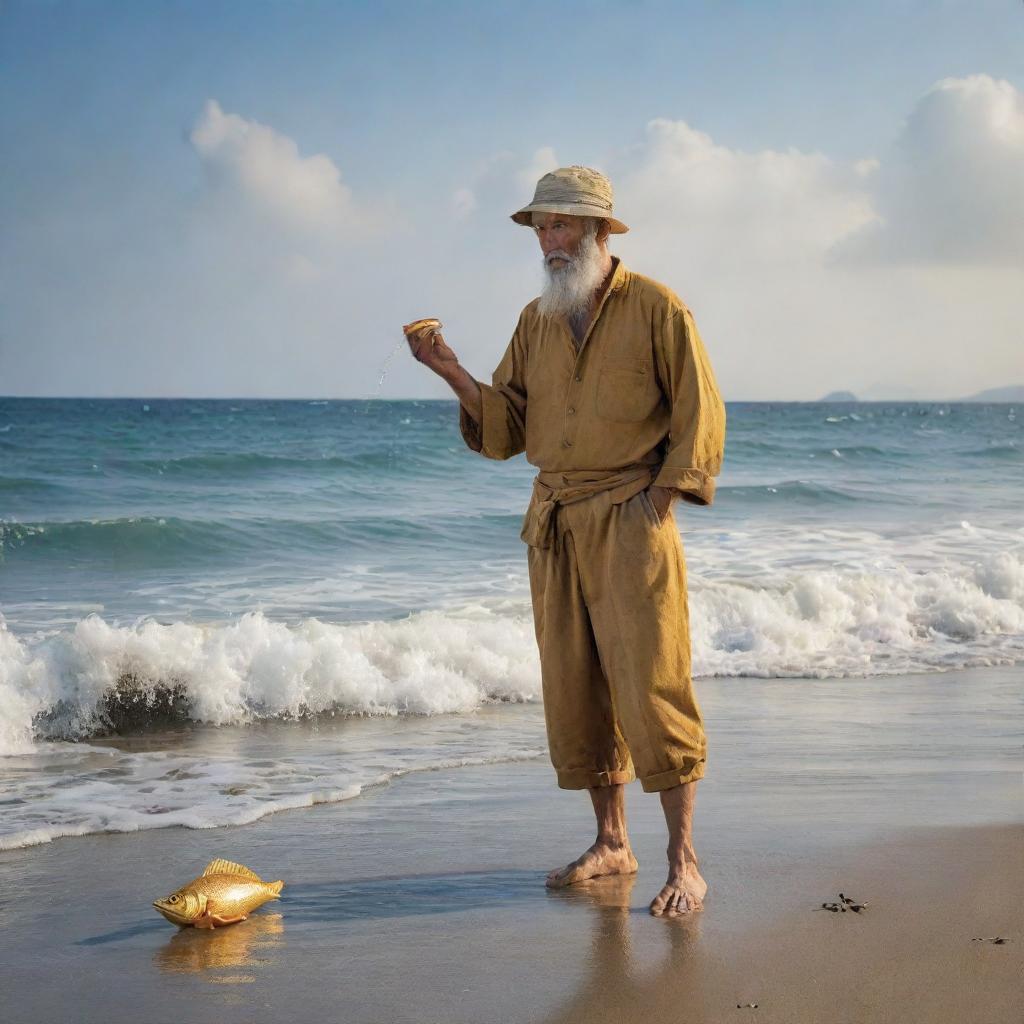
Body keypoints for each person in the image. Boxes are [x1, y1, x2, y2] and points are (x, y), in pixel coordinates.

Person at [404, 165, 726, 917]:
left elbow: (700, 407)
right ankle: (612, 842)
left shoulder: (657, 307)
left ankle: (685, 859)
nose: (548, 240)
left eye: (560, 226)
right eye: (541, 228)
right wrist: (450, 370)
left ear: (597, 231)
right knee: (575, 690)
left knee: (653, 686)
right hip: (554, 522)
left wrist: (663, 495)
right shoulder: (535, 320)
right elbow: (507, 427)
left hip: (630, 517)